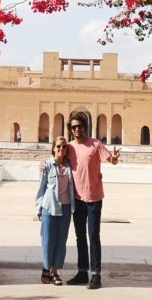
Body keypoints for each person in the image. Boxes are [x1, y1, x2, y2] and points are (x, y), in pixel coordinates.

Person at [65, 111, 120, 290]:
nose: (76, 130)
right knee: (80, 237)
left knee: (93, 236)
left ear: (85, 127)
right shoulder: (70, 147)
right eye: (73, 127)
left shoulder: (95, 144)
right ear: (70, 130)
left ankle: (96, 275)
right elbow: (58, 158)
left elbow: (110, 159)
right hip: (77, 199)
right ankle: (82, 272)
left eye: (79, 126)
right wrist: (43, 164)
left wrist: (114, 158)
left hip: (94, 198)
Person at [35, 136, 76, 285]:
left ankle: (55, 272)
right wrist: (38, 208)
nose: (61, 149)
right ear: (53, 148)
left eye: (64, 147)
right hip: (49, 207)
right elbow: (41, 188)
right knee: (48, 240)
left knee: (61, 242)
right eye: (58, 146)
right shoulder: (46, 165)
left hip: (65, 208)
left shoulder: (69, 165)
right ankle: (46, 269)